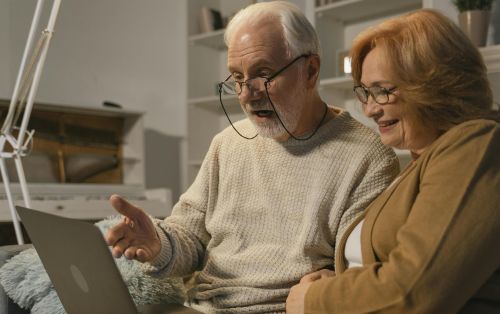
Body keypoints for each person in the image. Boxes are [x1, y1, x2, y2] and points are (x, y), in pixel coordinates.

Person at [106, 1, 399, 313]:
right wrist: (157, 245)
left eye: (263, 74)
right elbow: (190, 239)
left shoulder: (368, 158)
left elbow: (357, 279)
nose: (246, 94)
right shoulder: (226, 144)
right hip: (200, 308)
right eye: (237, 77)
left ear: (310, 70)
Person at [286, 8, 500, 314]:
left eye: (383, 91)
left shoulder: (476, 145)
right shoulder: (422, 161)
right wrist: (339, 282)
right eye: (366, 93)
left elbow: (414, 292)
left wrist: (315, 300)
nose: (370, 110)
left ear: (435, 83)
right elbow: (397, 267)